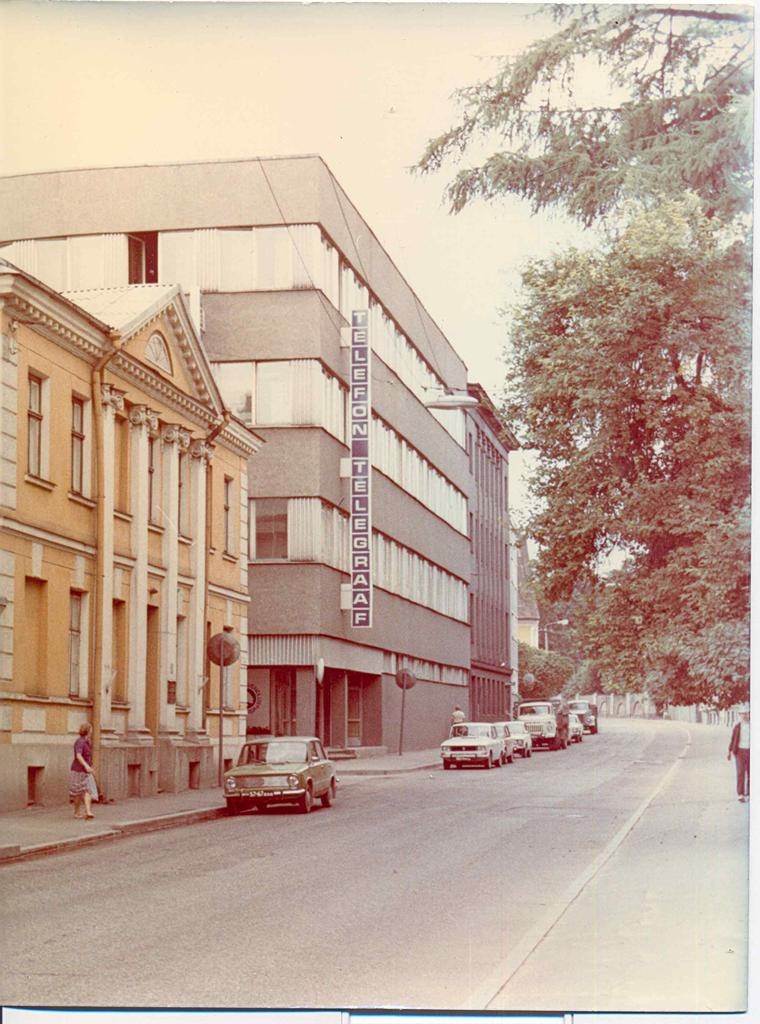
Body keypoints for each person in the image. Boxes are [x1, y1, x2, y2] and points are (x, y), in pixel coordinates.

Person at [70, 722, 96, 819]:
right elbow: (78, 755)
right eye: (91, 729)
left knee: (88, 790)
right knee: (77, 792)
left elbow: (88, 756)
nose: (92, 731)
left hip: (86, 771)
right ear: (88, 731)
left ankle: (88, 811)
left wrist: (90, 767)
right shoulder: (80, 741)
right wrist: (86, 766)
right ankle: (76, 812)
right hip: (78, 770)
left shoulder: (87, 742)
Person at [727, 709, 750, 803]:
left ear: (748, 714)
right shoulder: (737, 727)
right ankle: (740, 794)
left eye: (745, 713)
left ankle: (749, 793)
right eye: (742, 714)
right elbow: (733, 739)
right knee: (740, 772)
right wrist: (729, 751)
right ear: (739, 715)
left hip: (751, 751)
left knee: (751, 773)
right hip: (739, 752)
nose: (744, 716)